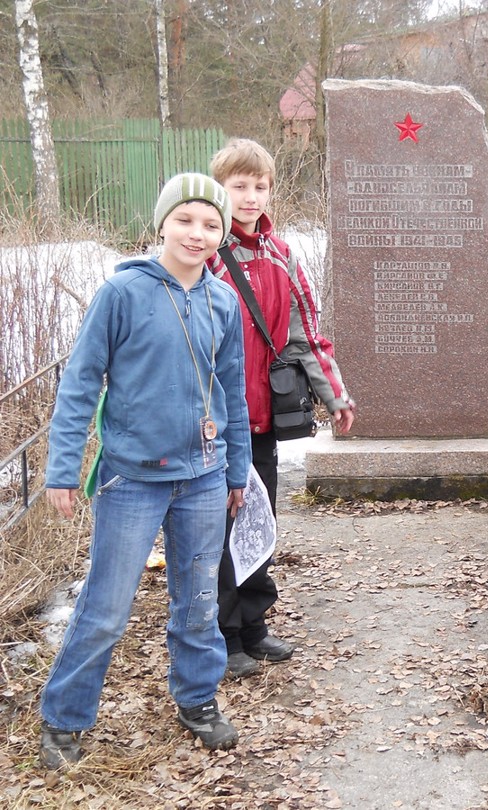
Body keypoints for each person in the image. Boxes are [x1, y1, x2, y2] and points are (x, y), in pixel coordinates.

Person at [39, 174, 251, 769]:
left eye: (211, 224)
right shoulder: (122, 293)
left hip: (204, 477)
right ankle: (65, 716)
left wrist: (236, 470)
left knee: (199, 599)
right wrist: (62, 469)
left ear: (222, 234)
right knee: (106, 606)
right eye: (185, 219)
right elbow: (80, 383)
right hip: (131, 478)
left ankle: (197, 698)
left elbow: (231, 391)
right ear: (162, 223)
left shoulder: (222, 301)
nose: (197, 233)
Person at [209, 138, 354, 679]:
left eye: (260, 187)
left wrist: (334, 395)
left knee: (259, 519)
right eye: (239, 186)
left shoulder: (281, 254)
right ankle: (222, 636)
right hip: (214, 422)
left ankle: (253, 625)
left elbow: (306, 332)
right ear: (219, 189)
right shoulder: (205, 252)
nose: (250, 197)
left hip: (262, 418)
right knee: (218, 529)